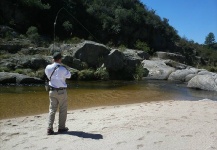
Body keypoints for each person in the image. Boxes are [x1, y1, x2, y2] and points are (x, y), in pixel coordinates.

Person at [45, 52, 71, 135]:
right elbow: (69, 76)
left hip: (52, 91)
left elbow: (47, 75)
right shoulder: (63, 68)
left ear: (53, 59)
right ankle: (61, 128)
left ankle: (49, 128)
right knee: (63, 110)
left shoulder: (48, 67)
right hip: (62, 91)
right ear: (60, 59)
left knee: (52, 110)